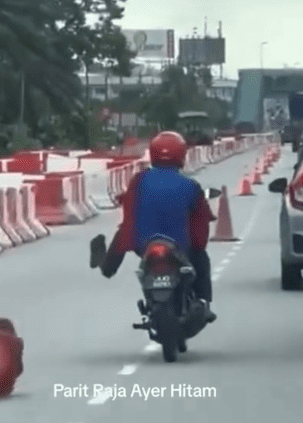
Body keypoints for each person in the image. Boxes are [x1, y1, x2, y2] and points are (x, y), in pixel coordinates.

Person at [89, 130, 216, 322]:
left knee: (123, 232)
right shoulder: (190, 186)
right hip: (179, 246)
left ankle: (107, 266)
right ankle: (204, 302)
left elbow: (129, 216)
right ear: (182, 155)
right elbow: (201, 224)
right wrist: (198, 247)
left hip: (144, 244)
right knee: (202, 260)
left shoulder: (139, 181)